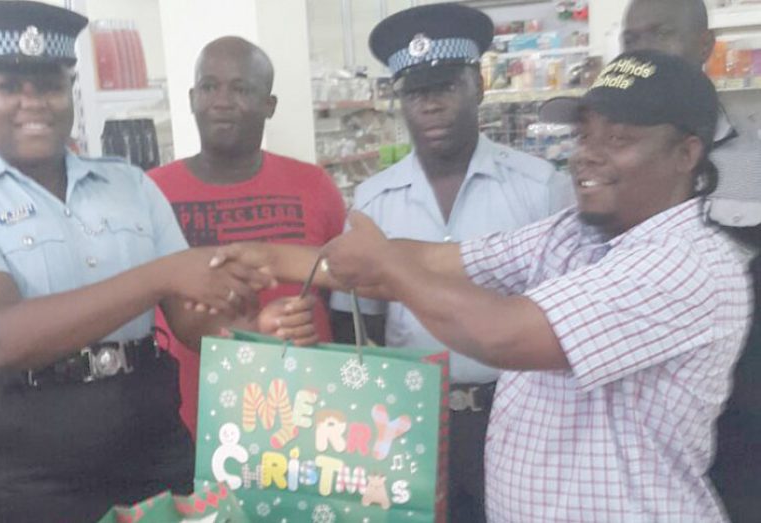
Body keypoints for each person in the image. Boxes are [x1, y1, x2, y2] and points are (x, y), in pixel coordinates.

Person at [215, 50, 753, 522]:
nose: (587, 153)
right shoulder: (574, 233)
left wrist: (389, 266)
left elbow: (503, 334)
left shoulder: (687, 264)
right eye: (585, 134)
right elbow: (439, 260)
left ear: (686, 154)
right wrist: (272, 258)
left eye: (619, 139)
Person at [0, 2, 308, 522]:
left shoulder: (129, 185)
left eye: (51, 86)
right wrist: (159, 275)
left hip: (150, 452)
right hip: (21, 472)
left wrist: (250, 332)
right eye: (11, 85)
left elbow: (190, 316)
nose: (32, 104)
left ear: (72, 88)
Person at [328, 5, 572, 520]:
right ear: (401, 102)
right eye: (416, 92)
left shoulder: (541, 188)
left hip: (517, 416)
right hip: (405, 424)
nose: (432, 105)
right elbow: (356, 324)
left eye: (447, 87)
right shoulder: (373, 202)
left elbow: (566, 319)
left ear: (478, 86)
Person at [148, 36, 346, 437]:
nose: (222, 101)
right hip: (190, 422)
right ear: (191, 98)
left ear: (269, 105)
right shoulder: (151, 192)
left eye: (241, 89)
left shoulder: (314, 185)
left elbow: (342, 300)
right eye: (209, 87)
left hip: (311, 422)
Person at [621, 1, 761, 519]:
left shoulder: (754, 161)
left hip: (741, 419)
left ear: (705, 46)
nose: (644, 50)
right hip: (644, 415)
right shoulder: (605, 167)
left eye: (660, 34)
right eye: (631, 41)